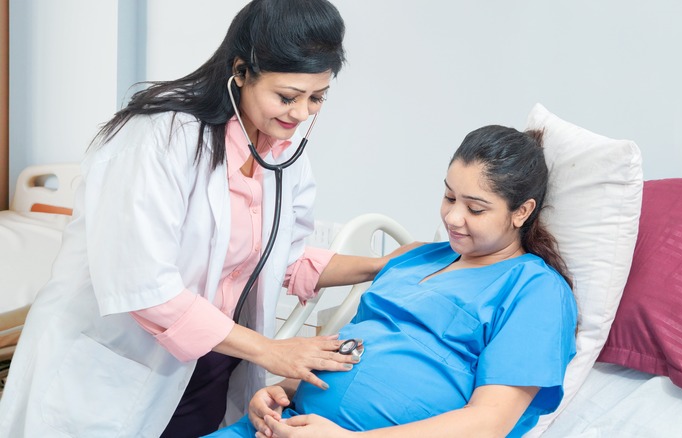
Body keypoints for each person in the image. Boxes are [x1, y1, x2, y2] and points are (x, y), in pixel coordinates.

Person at [0, 1, 398, 436]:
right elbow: (145, 286)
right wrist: (270, 351)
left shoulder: (282, 154)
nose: (301, 114)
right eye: (287, 97)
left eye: (317, 98)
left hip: (209, 365)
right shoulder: (157, 138)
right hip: (116, 370)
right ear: (242, 71)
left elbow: (283, 257)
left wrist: (388, 265)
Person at [209, 125, 579, 438]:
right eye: (449, 196)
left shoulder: (536, 290)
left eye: (475, 208)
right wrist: (278, 393)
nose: (452, 216)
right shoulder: (415, 258)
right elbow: (352, 352)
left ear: (522, 211)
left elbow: (488, 423)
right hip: (288, 425)